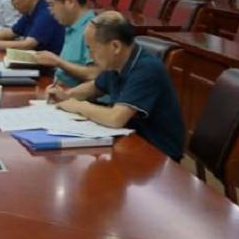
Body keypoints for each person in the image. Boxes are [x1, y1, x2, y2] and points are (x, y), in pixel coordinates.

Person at [48, 11, 185, 161]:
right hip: (129, 141)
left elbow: (116, 118)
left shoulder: (147, 69)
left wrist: (78, 105)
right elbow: (94, 87)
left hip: (157, 154)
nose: (89, 56)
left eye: (91, 49)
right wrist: (67, 95)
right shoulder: (116, 62)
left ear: (115, 46)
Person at [33, 0, 98, 88]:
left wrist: (57, 61)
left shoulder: (94, 29)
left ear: (70, 1)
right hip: (59, 89)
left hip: (75, 95)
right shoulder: (71, 25)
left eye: (52, 5)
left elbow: (93, 74)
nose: (50, 11)